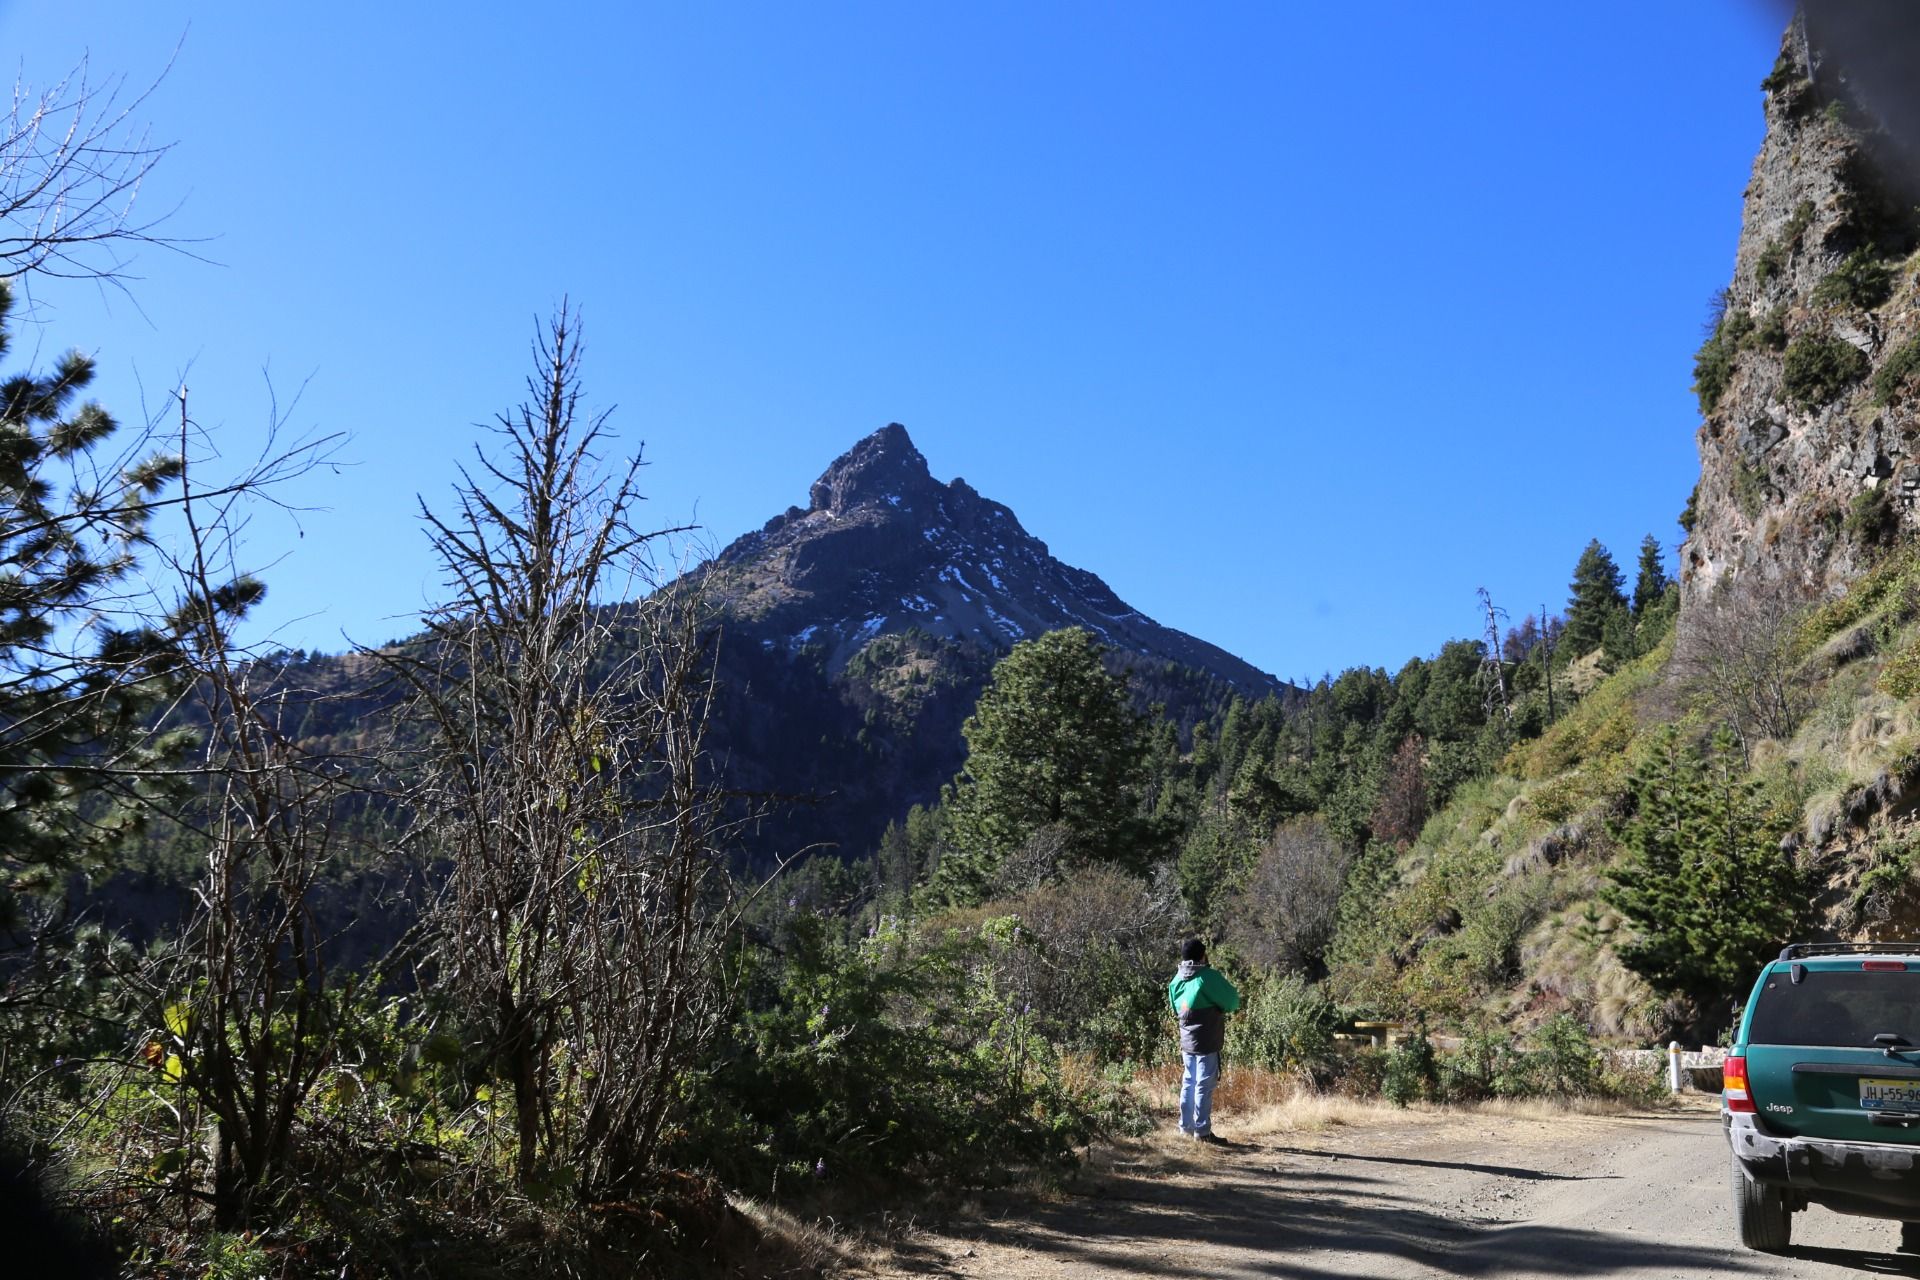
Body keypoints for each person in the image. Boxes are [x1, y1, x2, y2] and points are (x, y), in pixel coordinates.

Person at [1168, 937, 1239, 1142]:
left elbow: (1175, 1008)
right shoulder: (1207, 977)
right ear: (1202, 955)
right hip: (1207, 1039)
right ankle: (1203, 1132)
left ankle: (1186, 1128)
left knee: (1188, 1081)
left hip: (1187, 1039)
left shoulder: (1176, 980)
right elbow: (1233, 1000)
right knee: (1204, 1084)